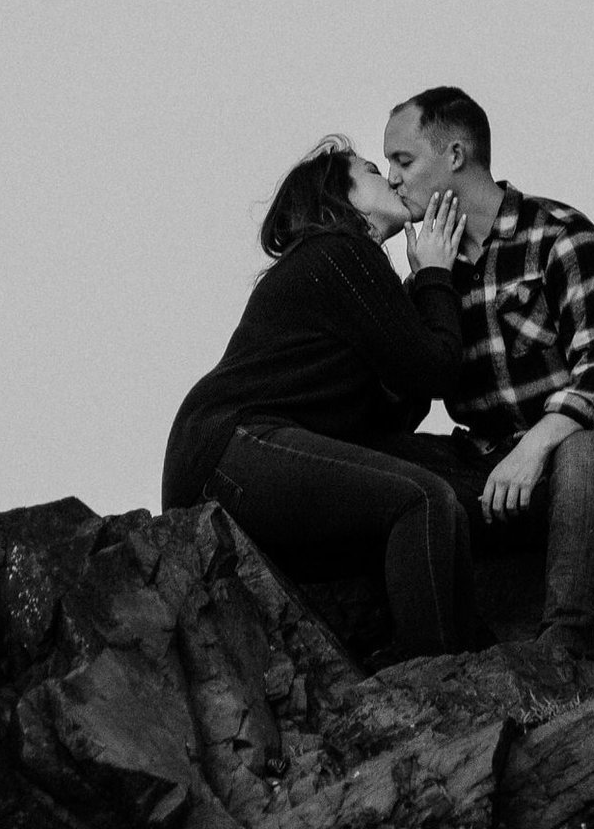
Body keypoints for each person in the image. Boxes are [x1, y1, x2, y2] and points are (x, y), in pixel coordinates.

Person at [379, 87, 594, 669]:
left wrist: (534, 448)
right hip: (492, 470)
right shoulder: (435, 269)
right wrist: (418, 278)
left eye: (403, 161)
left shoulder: (561, 236)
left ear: (456, 155)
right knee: (379, 466)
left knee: (584, 453)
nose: (391, 178)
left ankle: (564, 656)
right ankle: (419, 650)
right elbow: (402, 398)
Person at [163, 138, 477, 657]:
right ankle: (437, 681)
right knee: (420, 499)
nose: (393, 179)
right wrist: (435, 276)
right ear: (344, 197)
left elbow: (400, 406)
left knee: (443, 505)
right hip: (229, 446)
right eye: (375, 171)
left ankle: (452, 662)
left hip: (226, 461)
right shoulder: (340, 253)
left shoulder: (349, 268)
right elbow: (435, 370)